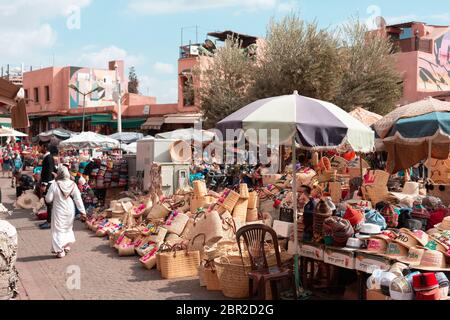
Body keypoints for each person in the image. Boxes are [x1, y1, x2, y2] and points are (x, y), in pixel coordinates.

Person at [45, 165, 86, 258]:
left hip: (59, 209)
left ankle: (60, 251)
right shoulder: (73, 184)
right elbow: (78, 199)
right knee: (68, 228)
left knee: (58, 229)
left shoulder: (55, 184)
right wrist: (83, 212)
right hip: (70, 209)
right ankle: (66, 246)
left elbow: (48, 199)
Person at [39, 143, 58, 230]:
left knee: (49, 202)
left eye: (41, 146)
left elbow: (49, 171)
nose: (40, 148)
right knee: (48, 203)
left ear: (45, 147)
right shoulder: (48, 157)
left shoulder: (48, 157)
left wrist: (44, 184)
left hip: (48, 183)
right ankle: (48, 221)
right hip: (49, 182)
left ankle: (49, 222)